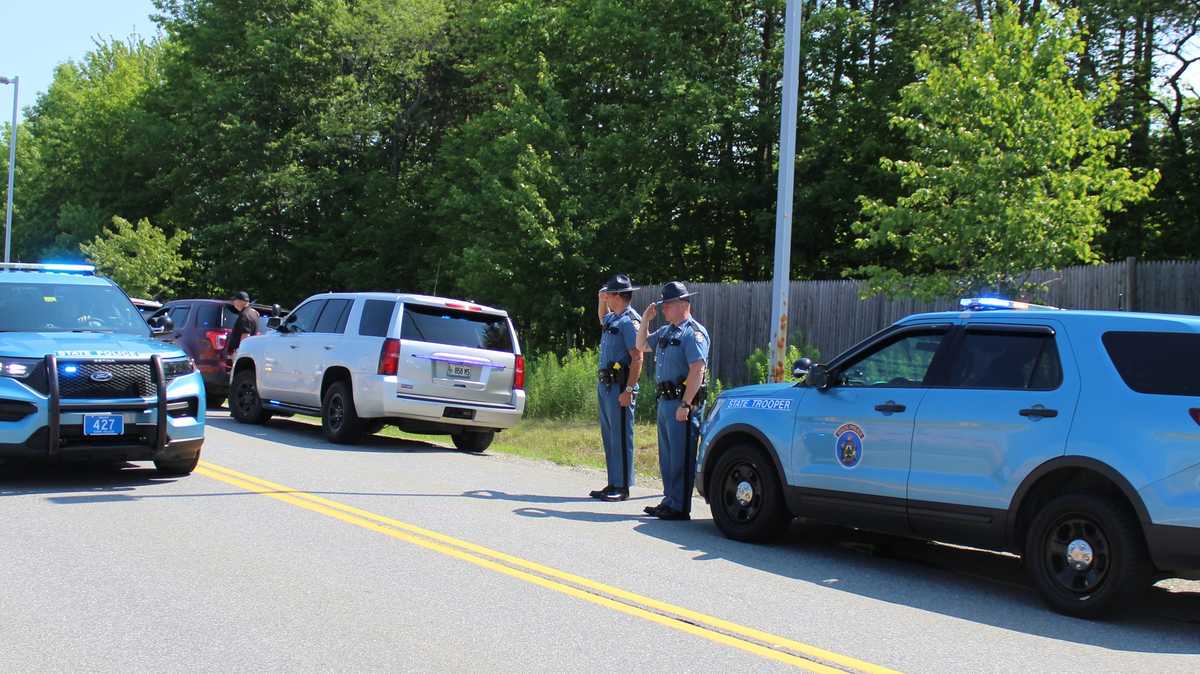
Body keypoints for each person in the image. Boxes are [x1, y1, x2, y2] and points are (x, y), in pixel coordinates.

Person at [636, 281, 709, 520]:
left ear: (681, 304)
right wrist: (646, 320)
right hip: (665, 401)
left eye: (667, 304)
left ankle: (679, 506)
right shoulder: (667, 331)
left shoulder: (693, 332)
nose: (664, 309)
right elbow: (642, 345)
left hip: (681, 403)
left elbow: (697, 369)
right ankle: (670, 500)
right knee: (667, 455)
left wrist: (686, 404)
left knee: (681, 456)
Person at [590, 274, 643, 502]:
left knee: (621, 436)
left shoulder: (630, 321)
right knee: (610, 436)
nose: (607, 298)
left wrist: (629, 390)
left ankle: (623, 487)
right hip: (607, 385)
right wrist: (601, 300)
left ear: (619, 296)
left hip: (621, 386)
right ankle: (613, 481)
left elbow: (638, 357)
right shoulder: (614, 318)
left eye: (609, 294)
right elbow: (602, 318)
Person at [226, 291, 260, 358]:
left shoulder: (244, 315)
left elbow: (245, 335)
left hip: (242, 352)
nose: (233, 303)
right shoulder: (254, 313)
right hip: (250, 351)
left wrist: (240, 353)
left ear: (240, 301)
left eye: (234, 300)